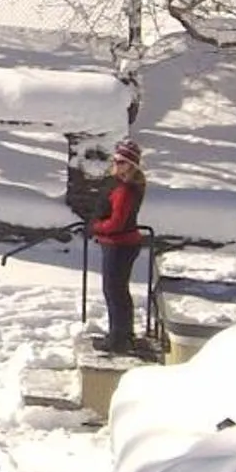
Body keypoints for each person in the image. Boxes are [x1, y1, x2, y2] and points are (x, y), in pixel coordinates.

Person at [92, 139, 152, 357]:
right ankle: (121, 334)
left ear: (132, 165)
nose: (116, 165)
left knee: (114, 291)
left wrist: (96, 227)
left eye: (122, 162)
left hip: (120, 245)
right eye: (115, 160)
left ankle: (119, 338)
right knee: (118, 290)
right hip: (120, 243)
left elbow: (117, 222)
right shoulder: (122, 185)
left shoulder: (126, 189)